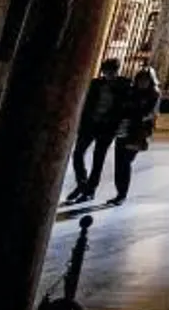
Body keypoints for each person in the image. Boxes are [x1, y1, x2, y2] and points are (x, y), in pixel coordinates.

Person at [65, 59, 131, 205]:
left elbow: (124, 107)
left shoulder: (124, 86)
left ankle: (90, 190)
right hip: (91, 124)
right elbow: (87, 103)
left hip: (107, 128)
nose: (108, 74)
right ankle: (82, 183)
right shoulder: (96, 84)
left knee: (98, 158)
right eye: (106, 71)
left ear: (117, 71)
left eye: (111, 71)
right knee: (78, 153)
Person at [108, 66, 160, 206]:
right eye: (140, 79)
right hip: (123, 129)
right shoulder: (131, 92)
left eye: (146, 80)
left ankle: (122, 194)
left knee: (125, 162)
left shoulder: (153, 95)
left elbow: (149, 114)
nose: (142, 83)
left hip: (137, 132)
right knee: (119, 162)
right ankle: (119, 192)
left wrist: (134, 114)